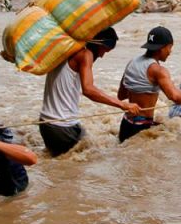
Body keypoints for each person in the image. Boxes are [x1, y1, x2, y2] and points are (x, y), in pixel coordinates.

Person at [39, 27, 139, 156]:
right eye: (104, 50)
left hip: (48, 123)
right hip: (61, 125)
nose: (102, 56)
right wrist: (123, 105)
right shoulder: (85, 54)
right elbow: (88, 90)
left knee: (83, 157)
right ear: (98, 43)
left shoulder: (65, 49)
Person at [116, 26, 181, 141]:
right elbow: (174, 96)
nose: (170, 52)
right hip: (141, 127)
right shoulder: (158, 70)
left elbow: (121, 95)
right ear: (162, 48)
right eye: (170, 47)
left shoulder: (132, 62)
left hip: (126, 124)